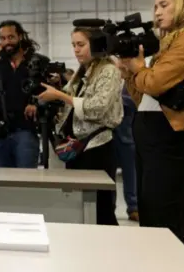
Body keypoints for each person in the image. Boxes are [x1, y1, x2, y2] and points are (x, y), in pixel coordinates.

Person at [118, 0, 184, 245]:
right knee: (151, 211)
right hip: (150, 128)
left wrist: (139, 69)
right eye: (155, 6)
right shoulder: (168, 42)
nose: (157, 12)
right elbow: (142, 95)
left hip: (166, 134)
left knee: (164, 216)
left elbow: (155, 84)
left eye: (164, 5)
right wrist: (130, 71)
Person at [38, 26, 123, 225]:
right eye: (74, 45)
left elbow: (97, 108)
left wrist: (59, 95)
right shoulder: (82, 72)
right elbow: (69, 100)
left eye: (81, 44)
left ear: (95, 45)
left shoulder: (109, 70)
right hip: (79, 148)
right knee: (79, 206)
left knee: (101, 208)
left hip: (97, 147)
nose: (76, 50)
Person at [0, 21, 41, 168]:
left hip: (26, 131)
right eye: (3, 38)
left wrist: (36, 103)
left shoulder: (37, 63)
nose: (7, 42)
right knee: (0, 183)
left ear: (20, 36)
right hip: (0, 133)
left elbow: (46, 92)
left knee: (27, 181)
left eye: (11, 37)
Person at [112, 81, 139, 222]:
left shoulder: (133, 80)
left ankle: (133, 207)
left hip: (127, 133)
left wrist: (115, 99)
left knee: (131, 173)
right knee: (108, 174)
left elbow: (136, 101)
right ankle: (109, 208)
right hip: (106, 133)